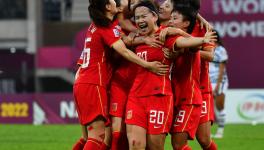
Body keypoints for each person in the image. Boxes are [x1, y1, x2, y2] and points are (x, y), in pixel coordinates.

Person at [72, 0, 169, 149]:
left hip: (82, 82)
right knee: (97, 136)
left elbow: (124, 38)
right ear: (107, 6)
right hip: (94, 82)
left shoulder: (95, 26)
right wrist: (148, 65)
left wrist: (140, 38)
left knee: (87, 137)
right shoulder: (107, 27)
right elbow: (123, 50)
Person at [125, 1, 216, 150]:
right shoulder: (141, 34)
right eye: (137, 17)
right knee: (137, 145)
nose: (162, 7)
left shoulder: (169, 34)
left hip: (185, 94)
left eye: (169, 8)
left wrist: (197, 40)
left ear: (154, 17)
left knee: (197, 141)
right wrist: (139, 40)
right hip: (143, 96)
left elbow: (193, 46)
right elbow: (122, 41)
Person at [209, 30, 228, 139]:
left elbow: (222, 70)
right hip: (207, 81)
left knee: (219, 106)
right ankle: (208, 132)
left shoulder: (221, 50)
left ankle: (221, 130)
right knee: (209, 107)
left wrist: (217, 85)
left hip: (219, 81)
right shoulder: (205, 48)